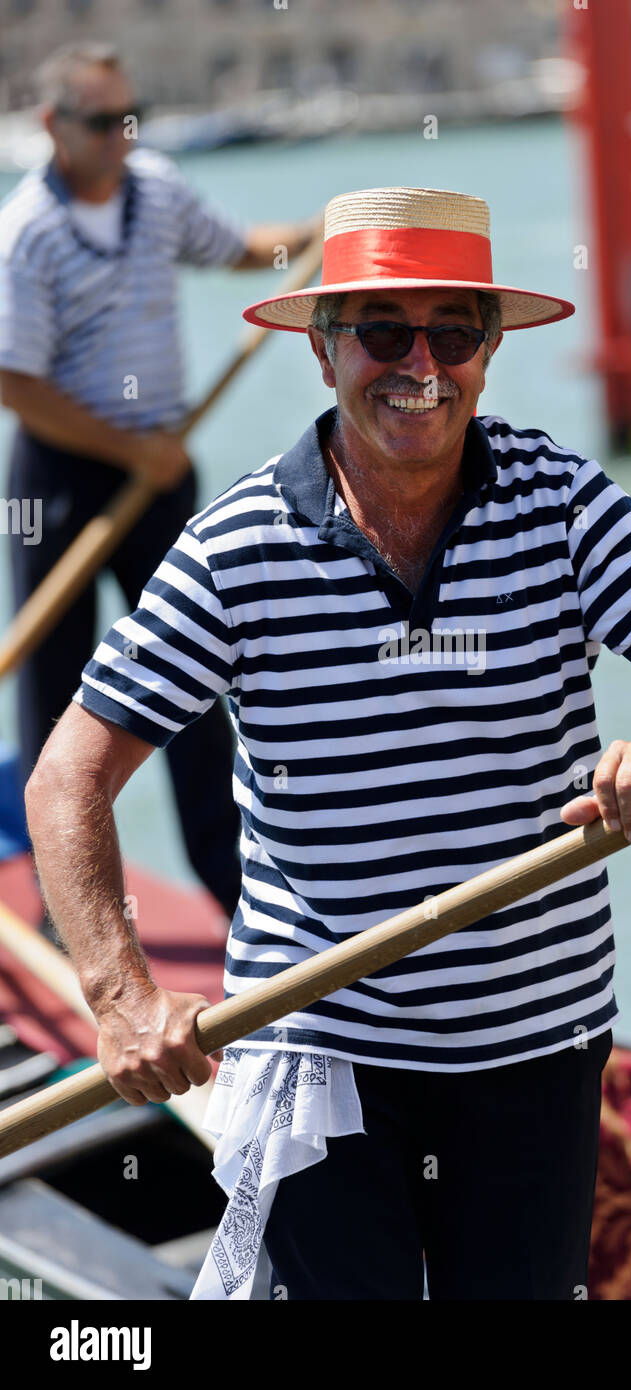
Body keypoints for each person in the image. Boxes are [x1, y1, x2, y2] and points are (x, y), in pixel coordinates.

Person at [23, 185, 631, 1301]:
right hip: (317, 1045)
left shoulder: (567, 506)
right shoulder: (235, 545)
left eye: (455, 331)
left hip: (537, 1046)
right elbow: (68, 779)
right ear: (325, 351)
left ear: (489, 349)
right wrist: (123, 999)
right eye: (384, 330)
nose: (420, 364)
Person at [0, 42, 320, 922]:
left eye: (128, 119)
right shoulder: (28, 231)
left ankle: (233, 890)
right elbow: (14, 382)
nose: (120, 138)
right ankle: (61, 910)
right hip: (61, 478)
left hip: (160, 471)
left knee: (191, 684)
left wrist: (316, 232)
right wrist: (125, 448)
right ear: (53, 126)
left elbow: (236, 251)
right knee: (59, 697)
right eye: (102, 122)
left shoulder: (158, 191)